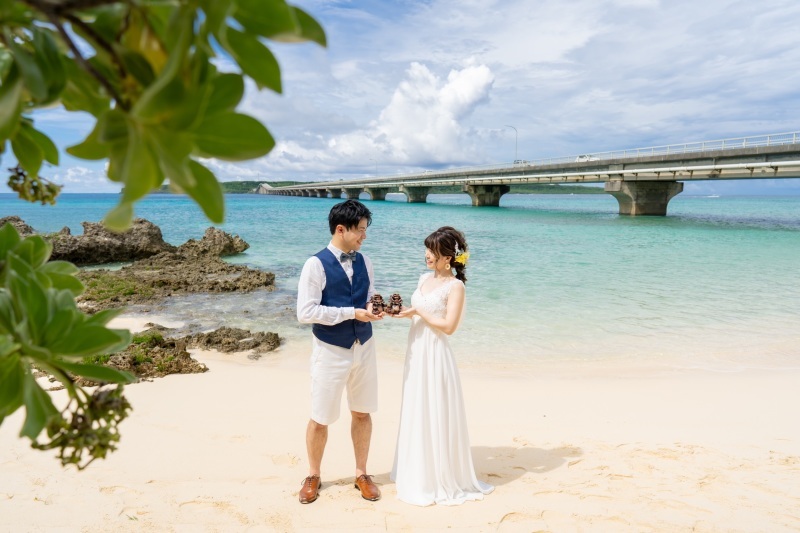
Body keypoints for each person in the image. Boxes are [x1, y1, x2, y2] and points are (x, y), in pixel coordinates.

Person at [390, 226, 494, 506]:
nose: (427, 255)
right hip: (416, 350)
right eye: (427, 249)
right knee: (417, 406)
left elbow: (449, 327)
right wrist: (401, 314)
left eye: (432, 251)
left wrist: (418, 312)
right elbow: (417, 312)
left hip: (436, 353)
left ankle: (437, 477)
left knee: (434, 408)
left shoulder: (455, 286)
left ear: (448, 257)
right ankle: (417, 469)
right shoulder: (424, 278)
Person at [296, 199, 384, 504]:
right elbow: (305, 312)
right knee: (320, 417)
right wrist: (351, 313)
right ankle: (313, 475)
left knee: (362, 412)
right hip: (330, 351)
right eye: (360, 230)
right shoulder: (315, 264)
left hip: (365, 346)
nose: (364, 236)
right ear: (341, 229)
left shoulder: (366, 261)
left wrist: (373, 307)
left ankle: (361, 473)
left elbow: (370, 294)